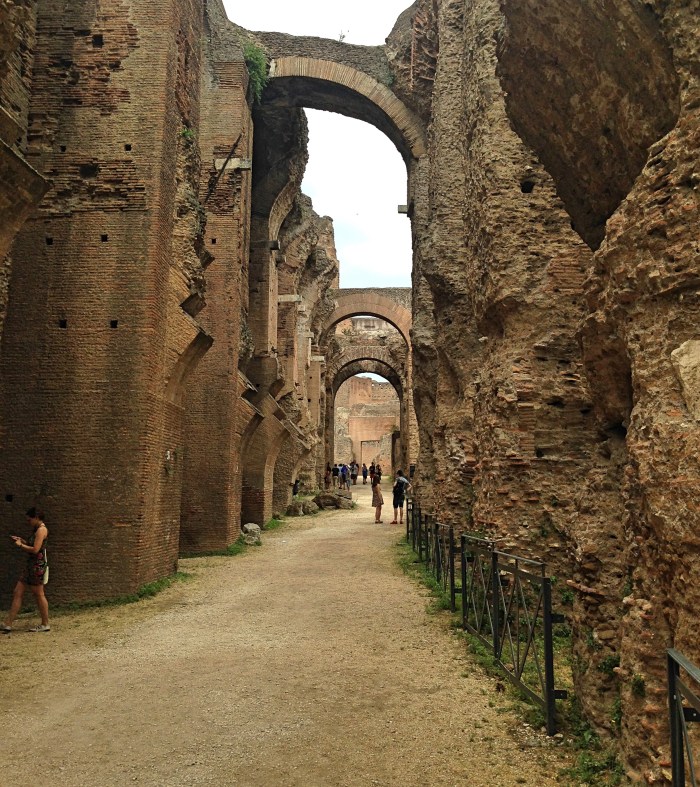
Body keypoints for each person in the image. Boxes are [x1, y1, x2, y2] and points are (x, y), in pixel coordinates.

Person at [2, 507, 50, 633]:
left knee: (39, 594)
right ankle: (8, 623)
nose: (28, 521)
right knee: (17, 592)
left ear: (36, 517)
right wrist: (22, 540)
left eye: (30, 519)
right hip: (30, 566)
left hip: (36, 566)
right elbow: (33, 545)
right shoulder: (36, 529)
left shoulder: (41, 530)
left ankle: (45, 623)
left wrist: (21, 545)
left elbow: (35, 549)